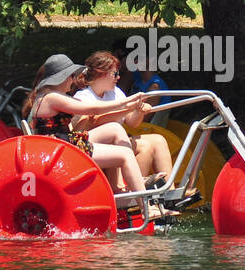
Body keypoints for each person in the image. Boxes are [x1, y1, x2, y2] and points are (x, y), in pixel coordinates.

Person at [21, 54, 169, 219]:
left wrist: (129, 106)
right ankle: (146, 208)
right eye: (70, 76)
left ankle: (121, 186)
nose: (73, 80)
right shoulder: (52, 97)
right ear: (60, 78)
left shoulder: (46, 95)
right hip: (62, 153)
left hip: (61, 146)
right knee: (125, 154)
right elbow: (92, 109)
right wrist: (127, 103)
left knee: (114, 128)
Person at [72, 50, 174, 183]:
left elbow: (132, 123)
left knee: (158, 140)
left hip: (119, 140)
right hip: (93, 146)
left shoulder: (116, 93)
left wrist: (138, 111)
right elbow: (94, 122)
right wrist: (127, 108)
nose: (118, 77)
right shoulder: (83, 97)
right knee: (145, 147)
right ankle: (134, 191)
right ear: (101, 74)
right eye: (115, 74)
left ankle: (170, 191)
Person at [111, 38, 172, 106]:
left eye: (139, 57)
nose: (135, 61)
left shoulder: (155, 87)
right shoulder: (137, 77)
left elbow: (145, 115)